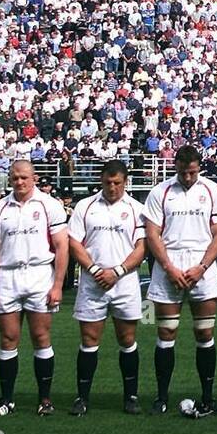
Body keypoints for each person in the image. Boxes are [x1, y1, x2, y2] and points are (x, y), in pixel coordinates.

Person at [142, 145, 217, 417]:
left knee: (204, 333)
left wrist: (202, 267)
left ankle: (207, 396)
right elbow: (152, 234)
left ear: (198, 167)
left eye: (192, 172)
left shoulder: (213, 191)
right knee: (166, 333)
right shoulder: (161, 192)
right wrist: (168, 267)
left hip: (201, 266)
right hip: (170, 265)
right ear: (175, 167)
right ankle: (161, 396)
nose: (188, 177)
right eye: (183, 172)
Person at [0, 160, 70, 416]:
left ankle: (45, 399)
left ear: (34, 177)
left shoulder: (49, 205)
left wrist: (58, 285)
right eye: (15, 178)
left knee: (41, 337)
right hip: (8, 277)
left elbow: (62, 246)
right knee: (8, 338)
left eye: (24, 177)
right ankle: (6, 400)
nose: (19, 182)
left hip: (39, 274)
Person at [66, 160, 147, 416]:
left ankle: (131, 397)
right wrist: (95, 270)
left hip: (124, 282)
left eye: (117, 183)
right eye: (107, 183)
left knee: (128, 339)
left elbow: (142, 247)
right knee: (89, 340)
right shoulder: (85, 206)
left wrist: (119, 271)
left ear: (125, 182)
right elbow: (74, 242)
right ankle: (82, 398)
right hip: (93, 282)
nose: (112, 187)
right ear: (101, 181)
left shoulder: (137, 209)